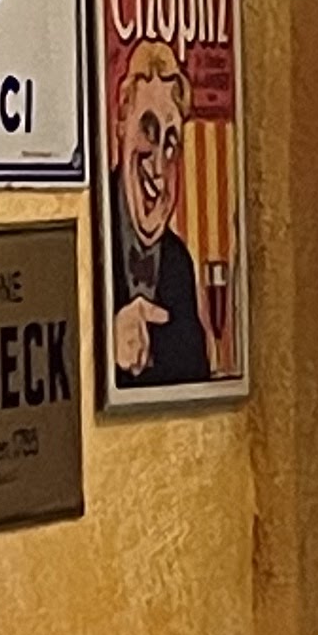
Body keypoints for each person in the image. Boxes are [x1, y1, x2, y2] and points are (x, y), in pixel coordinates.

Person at [108, 40, 213, 389]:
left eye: (170, 144)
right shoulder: (87, 235)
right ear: (121, 123)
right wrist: (106, 345)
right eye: (148, 131)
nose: (157, 166)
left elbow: (196, 383)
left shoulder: (178, 263)